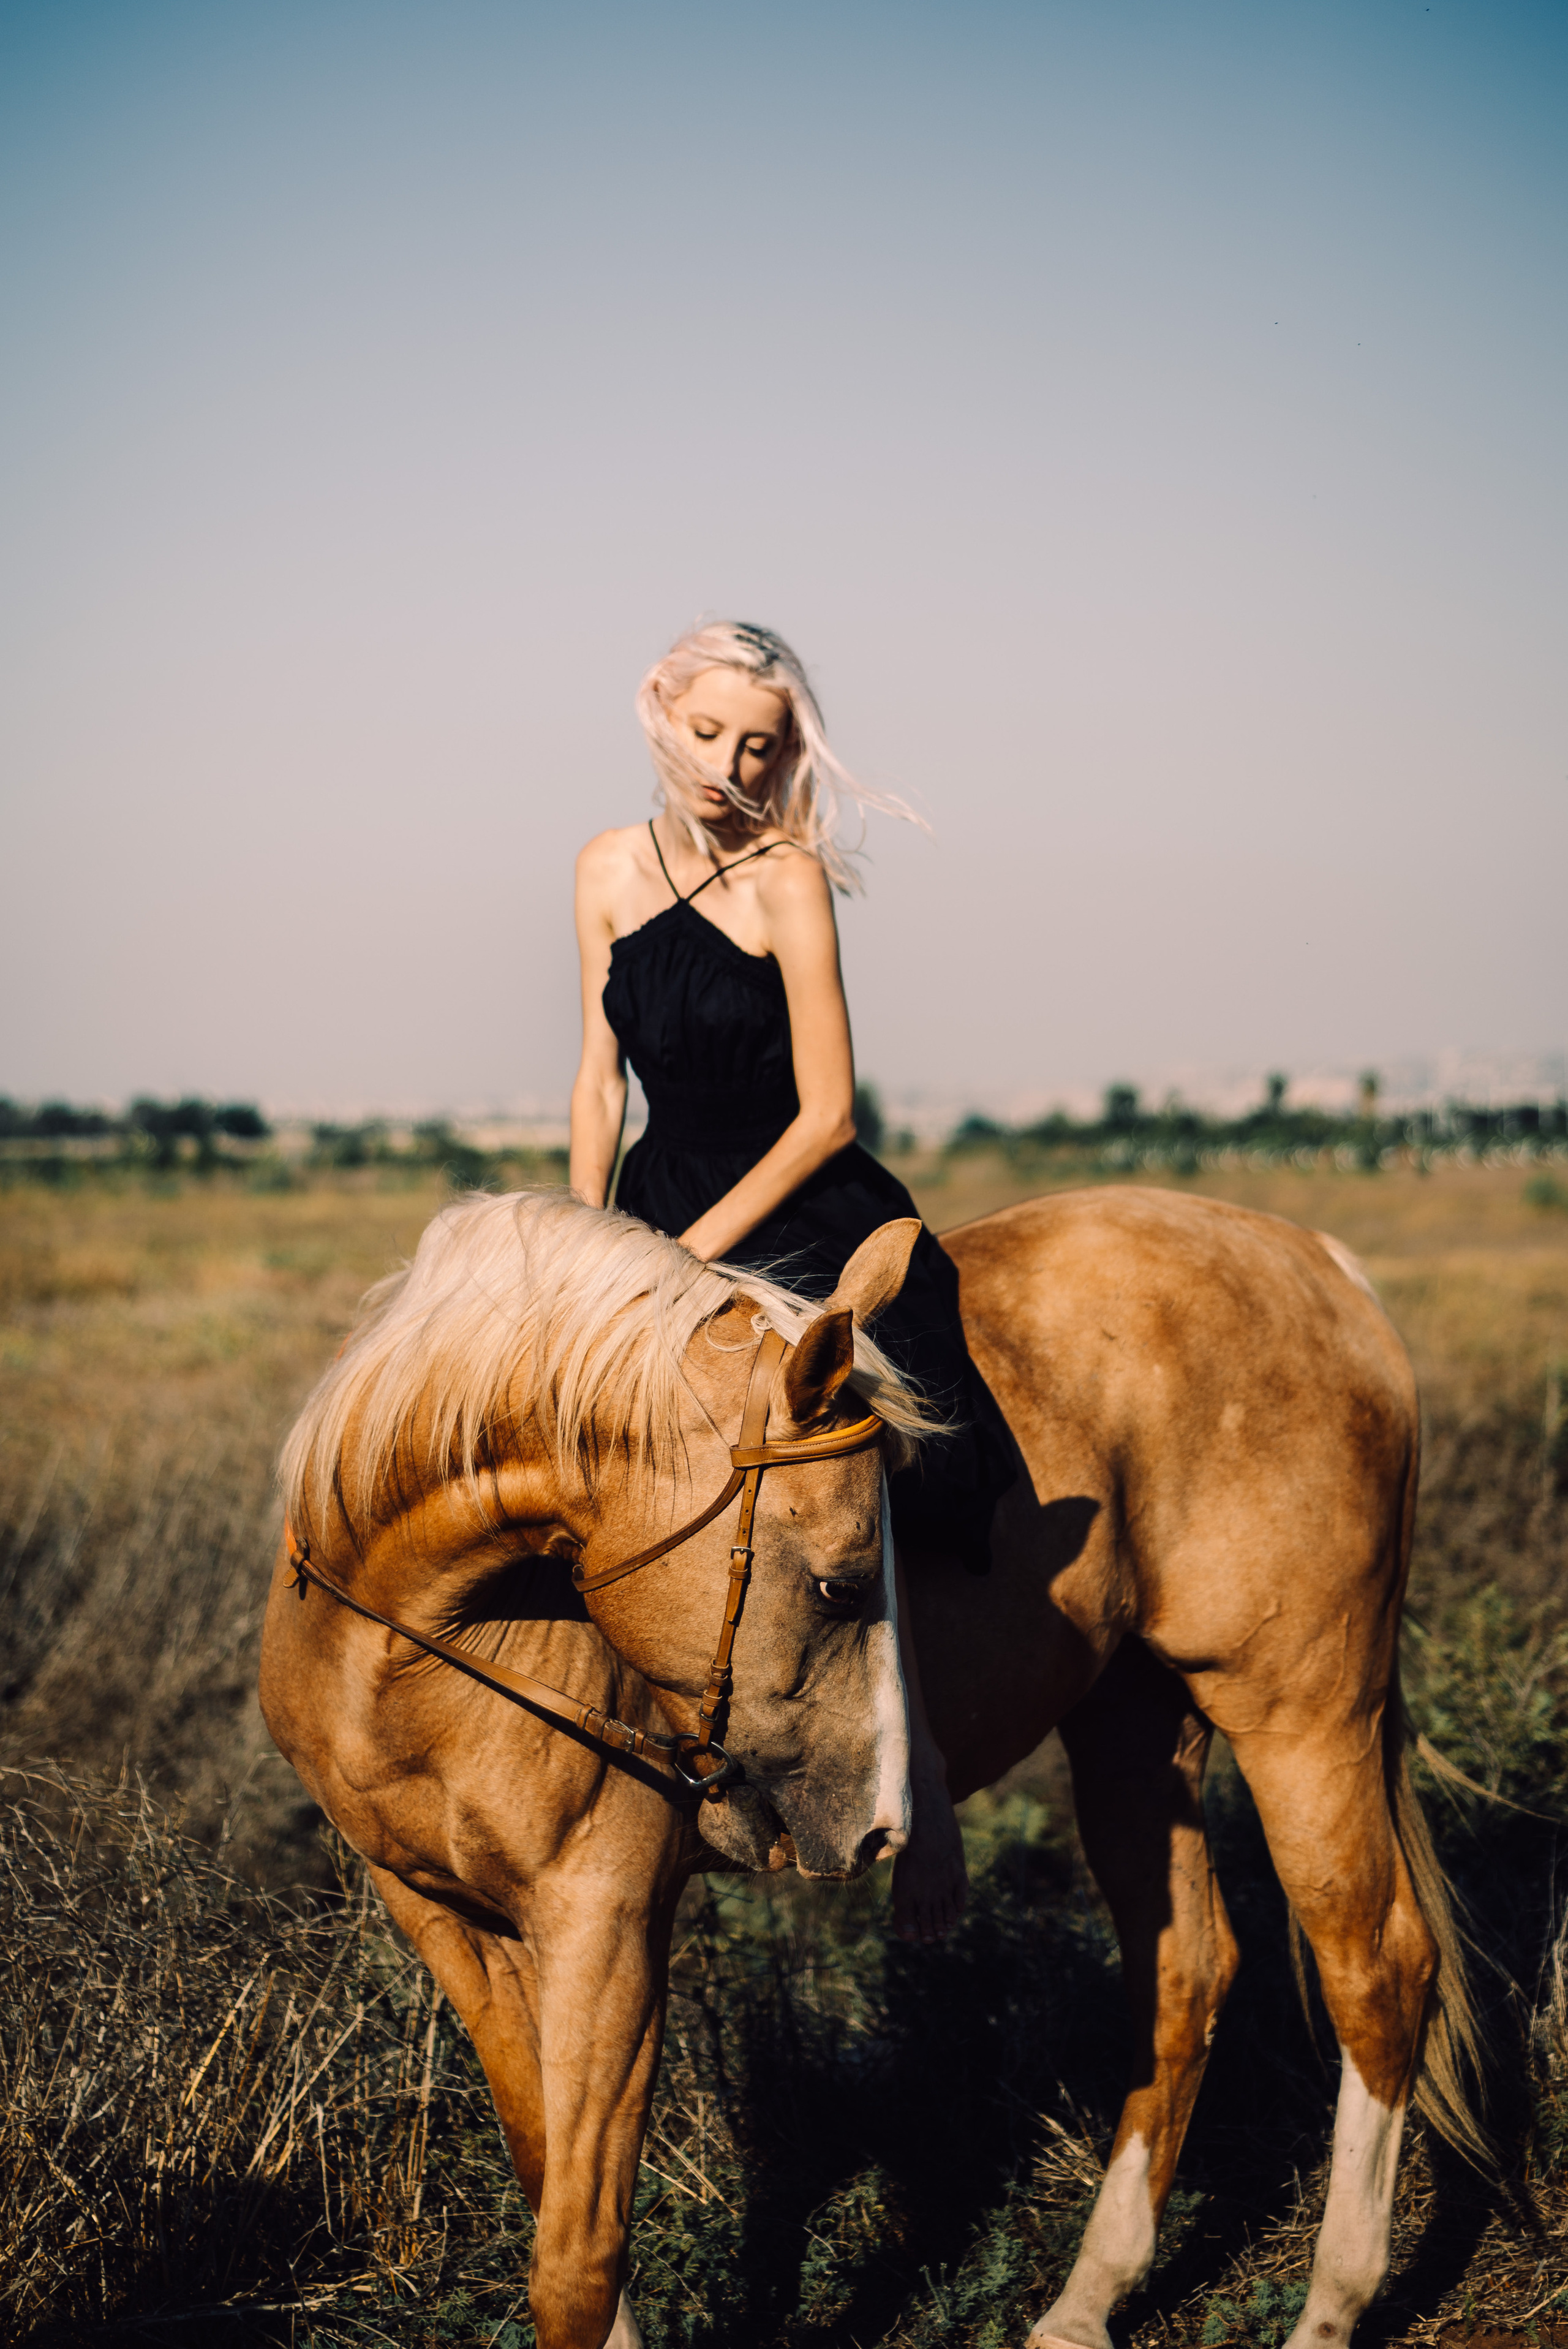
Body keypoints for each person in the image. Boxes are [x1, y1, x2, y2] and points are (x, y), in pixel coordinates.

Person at [569, 620, 1015, 1943]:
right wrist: (585, 1246)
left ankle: (918, 1774)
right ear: (659, 713)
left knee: (852, 1475)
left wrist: (693, 1257)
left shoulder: (786, 877)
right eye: (707, 734)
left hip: (795, 1203)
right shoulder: (601, 868)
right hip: (651, 1206)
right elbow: (597, 1082)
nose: (730, 766)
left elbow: (827, 1114)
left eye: (759, 746)